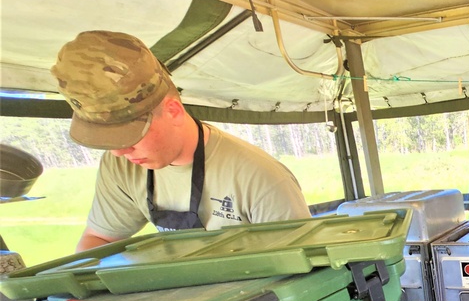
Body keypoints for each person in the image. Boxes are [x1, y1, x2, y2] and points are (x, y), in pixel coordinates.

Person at [50, 30, 311, 251]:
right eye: (108, 139)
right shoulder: (120, 166)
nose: (119, 152)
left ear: (173, 111)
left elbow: (302, 274)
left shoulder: (258, 177)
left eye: (129, 136)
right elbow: (100, 240)